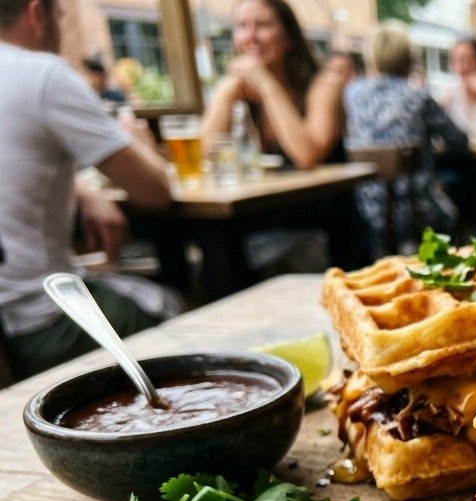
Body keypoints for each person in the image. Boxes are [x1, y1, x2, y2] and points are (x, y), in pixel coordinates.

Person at [0, 0, 182, 380]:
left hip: (10, 323)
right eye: (61, 17)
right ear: (37, 13)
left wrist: (80, 186)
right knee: (178, 304)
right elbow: (156, 191)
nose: (62, 29)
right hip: (42, 322)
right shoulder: (43, 75)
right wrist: (141, 141)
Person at [201, 0, 368, 273]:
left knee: (226, 247)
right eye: (242, 26)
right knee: (211, 239)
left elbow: (306, 154)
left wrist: (266, 84)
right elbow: (203, 154)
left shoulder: (324, 84)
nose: (250, 36)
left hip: (325, 227)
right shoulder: (240, 91)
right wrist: (226, 93)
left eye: (263, 25)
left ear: (290, 37)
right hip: (264, 221)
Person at [343, 20, 467, 255]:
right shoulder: (418, 96)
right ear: (409, 59)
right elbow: (459, 141)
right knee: (457, 202)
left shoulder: (352, 93)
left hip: (364, 209)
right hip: (414, 210)